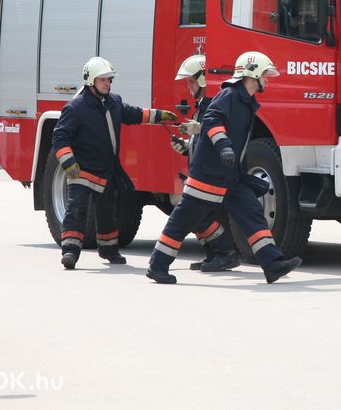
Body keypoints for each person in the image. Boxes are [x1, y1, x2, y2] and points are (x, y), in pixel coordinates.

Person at [146, 51, 303, 285]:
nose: (268, 79)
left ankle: (273, 264)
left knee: (252, 215)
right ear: (253, 75)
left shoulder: (245, 101)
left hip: (230, 177)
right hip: (208, 177)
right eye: (265, 75)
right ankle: (157, 266)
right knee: (182, 221)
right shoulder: (229, 95)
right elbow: (212, 120)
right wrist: (224, 146)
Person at [53, 57, 178, 269]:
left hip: (106, 172)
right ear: (90, 80)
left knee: (108, 213)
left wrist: (160, 115)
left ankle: (109, 250)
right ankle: (70, 252)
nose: (107, 84)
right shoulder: (75, 108)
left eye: (109, 80)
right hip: (81, 172)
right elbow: (59, 137)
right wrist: (69, 163)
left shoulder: (113, 102)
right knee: (77, 210)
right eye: (103, 80)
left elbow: (135, 114)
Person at [169, 54, 240, 270]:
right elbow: (201, 144)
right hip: (203, 173)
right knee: (201, 217)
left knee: (198, 215)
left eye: (191, 81)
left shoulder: (211, 105)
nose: (188, 87)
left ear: (202, 80)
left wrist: (198, 130)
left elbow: (214, 136)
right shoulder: (203, 105)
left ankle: (226, 254)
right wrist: (185, 146)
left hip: (210, 175)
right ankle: (214, 255)